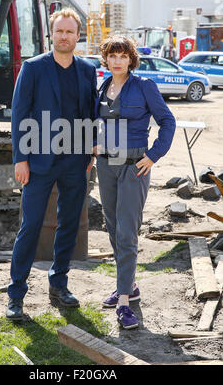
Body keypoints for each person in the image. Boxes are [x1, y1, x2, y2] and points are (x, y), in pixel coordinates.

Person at [6, 8, 97, 320]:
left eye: (70, 32)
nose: (64, 36)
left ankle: (59, 284)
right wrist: (20, 159)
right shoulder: (33, 68)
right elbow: (19, 114)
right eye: (59, 31)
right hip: (39, 161)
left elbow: (90, 113)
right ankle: (16, 294)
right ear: (52, 34)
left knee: (69, 224)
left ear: (77, 36)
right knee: (30, 226)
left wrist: (90, 153)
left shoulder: (87, 70)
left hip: (75, 161)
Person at [93, 36, 176, 330]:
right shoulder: (103, 87)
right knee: (114, 228)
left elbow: (168, 121)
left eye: (122, 55)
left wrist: (153, 155)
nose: (117, 60)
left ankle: (124, 304)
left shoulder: (144, 87)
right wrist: (94, 147)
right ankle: (128, 285)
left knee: (127, 231)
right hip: (107, 166)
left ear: (131, 59)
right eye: (112, 55)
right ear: (106, 59)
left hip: (134, 168)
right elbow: (97, 123)